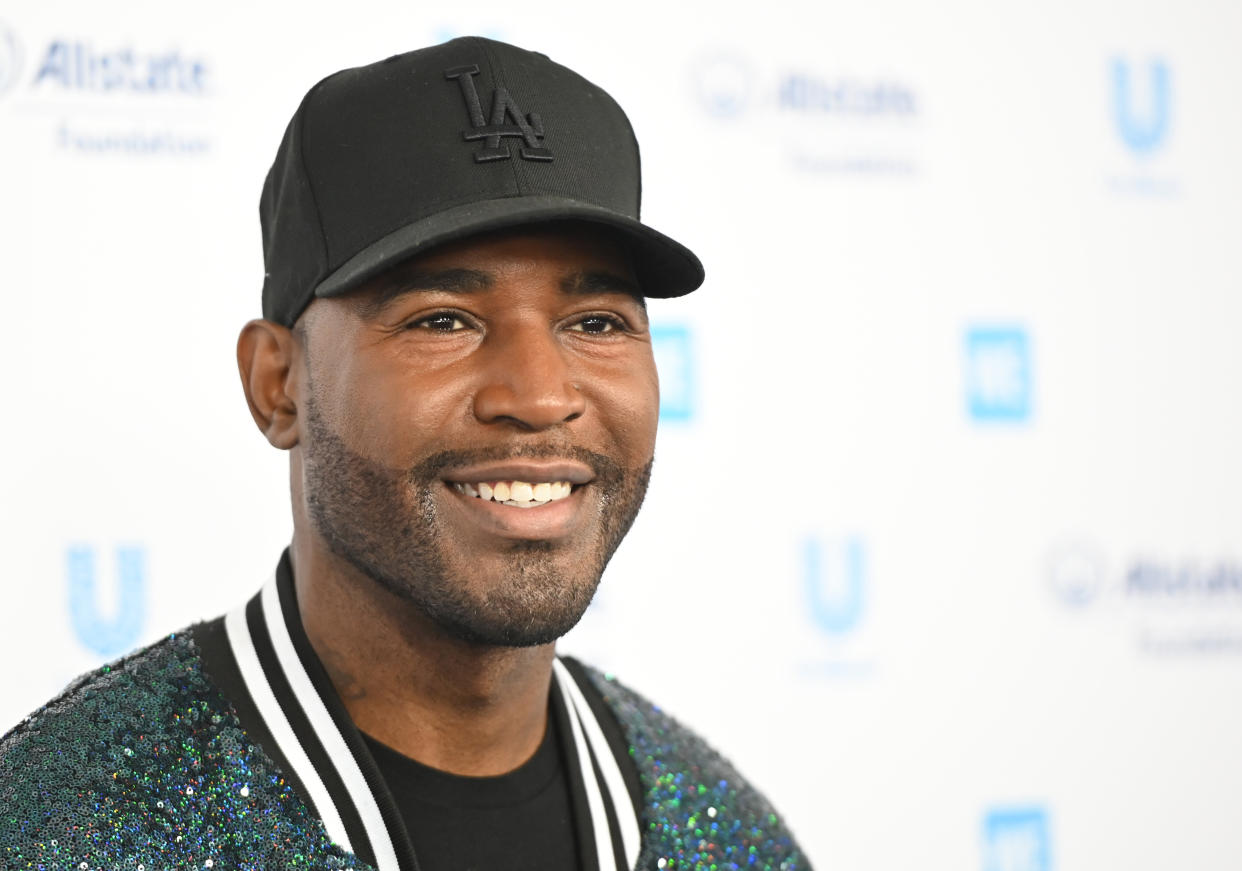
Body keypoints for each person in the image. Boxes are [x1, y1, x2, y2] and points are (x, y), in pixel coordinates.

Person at [0, 37, 810, 871]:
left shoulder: (734, 841)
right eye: (441, 320)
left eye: (597, 324)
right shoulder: (66, 829)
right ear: (278, 385)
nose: (537, 395)